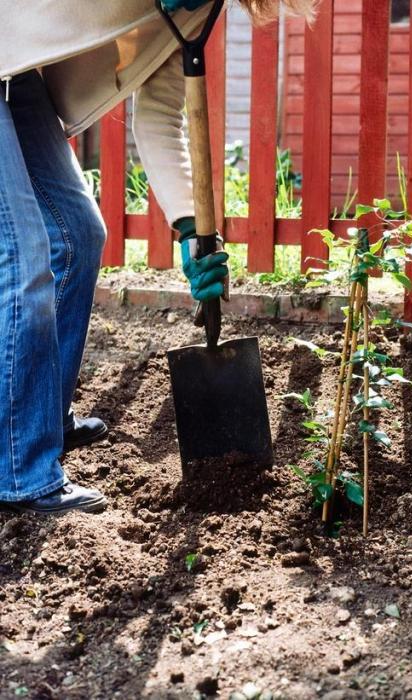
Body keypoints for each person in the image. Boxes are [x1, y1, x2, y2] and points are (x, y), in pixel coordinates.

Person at [0, 0, 315, 516]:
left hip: (14, 69)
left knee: (78, 233)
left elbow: (161, 113)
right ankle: (18, 471)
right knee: (23, 252)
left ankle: (37, 421)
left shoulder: (195, 8)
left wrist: (192, 227)